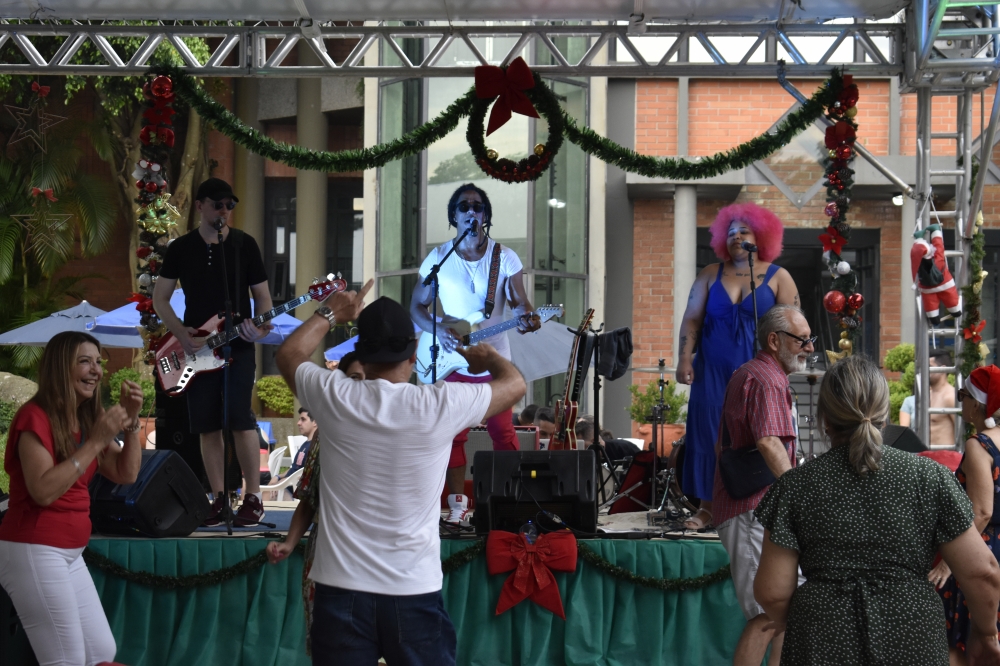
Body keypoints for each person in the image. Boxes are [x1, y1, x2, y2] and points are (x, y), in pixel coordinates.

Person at [276, 283, 526, 665]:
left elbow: (289, 354)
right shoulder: (441, 404)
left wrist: (330, 312)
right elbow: (515, 385)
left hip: (340, 589)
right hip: (413, 587)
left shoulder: (334, 396)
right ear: (413, 354)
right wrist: (489, 358)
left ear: (361, 356)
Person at [754, 355, 1000, 666]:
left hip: (821, 641)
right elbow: (982, 572)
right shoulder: (930, 477)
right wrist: (985, 633)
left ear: (825, 418)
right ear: (884, 415)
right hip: (913, 637)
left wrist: (805, 618)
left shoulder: (795, 486)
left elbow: (773, 592)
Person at [0, 331, 144, 665]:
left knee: (101, 653)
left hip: (68, 552)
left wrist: (132, 422)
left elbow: (126, 474)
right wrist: (95, 441)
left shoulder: (85, 419)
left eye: (98, 362)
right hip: (33, 547)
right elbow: (43, 491)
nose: (96, 370)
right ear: (60, 368)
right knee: (67, 659)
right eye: (84, 362)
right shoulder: (34, 417)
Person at [410, 183, 540, 524]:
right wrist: (439, 330)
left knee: (503, 431)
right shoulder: (438, 258)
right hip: (452, 358)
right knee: (453, 434)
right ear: (454, 215)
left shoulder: (504, 257)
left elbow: (520, 302)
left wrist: (526, 316)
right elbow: (417, 308)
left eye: (478, 206)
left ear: (486, 216)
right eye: (464, 206)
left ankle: (508, 503)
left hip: (494, 360)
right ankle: (456, 507)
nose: (471, 211)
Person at [154, 177, 274, 527]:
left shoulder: (243, 244)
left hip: (238, 344)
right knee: (207, 424)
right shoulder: (181, 248)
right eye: (217, 204)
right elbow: (160, 299)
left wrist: (260, 328)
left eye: (229, 205)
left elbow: (263, 298)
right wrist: (181, 333)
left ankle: (253, 497)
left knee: (240, 418)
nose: (224, 210)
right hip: (197, 347)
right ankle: (219, 497)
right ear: (200, 206)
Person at [676, 202, 799, 531]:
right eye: (730, 232)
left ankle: (755, 506)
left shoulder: (779, 276)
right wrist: (684, 358)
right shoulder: (710, 273)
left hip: (758, 374)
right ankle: (707, 507)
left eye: (743, 230)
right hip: (711, 373)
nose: (735, 236)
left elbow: (794, 325)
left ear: (761, 237)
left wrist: (788, 365)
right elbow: (691, 319)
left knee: (756, 436)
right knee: (708, 435)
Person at [711, 304, 813, 666]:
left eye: (810, 339)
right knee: (767, 613)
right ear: (774, 340)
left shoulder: (756, 373)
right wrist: (798, 498)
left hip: (756, 509)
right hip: (751, 509)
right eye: (802, 340)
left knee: (784, 609)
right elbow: (769, 442)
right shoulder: (767, 379)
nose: (809, 348)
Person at [267, 351, 365, 656]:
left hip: (372, 549)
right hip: (326, 547)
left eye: (366, 378)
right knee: (328, 641)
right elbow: (310, 499)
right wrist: (289, 542)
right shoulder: (324, 436)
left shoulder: (393, 429)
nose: (360, 386)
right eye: (353, 378)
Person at [928, 365, 1000, 665]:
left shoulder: (980, 444)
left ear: (978, 403)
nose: (960, 401)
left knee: (962, 642)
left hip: (982, 550)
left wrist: (949, 562)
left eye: (963, 395)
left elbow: (981, 511)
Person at [270, 408, 318, 500]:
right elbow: (294, 468)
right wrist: (278, 476)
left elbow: (309, 475)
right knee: (266, 491)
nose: (298, 423)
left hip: (294, 493)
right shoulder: (306, 444)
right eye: (299, 419)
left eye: (303, 419)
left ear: (315, 422)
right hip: (286, 487)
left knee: (265, 494)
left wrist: (284, 482)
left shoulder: (315, 447)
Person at [575, 418, 639, 464]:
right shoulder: (582, 461)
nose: (577, 448)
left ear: (594, 441)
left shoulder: (625, 448)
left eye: (580, 444)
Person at [928, 348, 957, 446]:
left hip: (946, 454)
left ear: (942, 369)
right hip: (926, 453)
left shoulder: (950, 396)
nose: (926, 370)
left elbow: (964, 434)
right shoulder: (928, 395)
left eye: (930, 367)